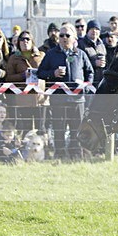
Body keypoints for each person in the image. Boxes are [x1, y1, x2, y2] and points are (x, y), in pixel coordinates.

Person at [37, 22, 93, 159]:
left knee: (76, 129)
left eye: (67, 35)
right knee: (59, 128)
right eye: (61, 35)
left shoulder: (81, 54)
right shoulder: (51, 54)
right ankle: (60, 154)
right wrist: (53, 73)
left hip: (77, 99)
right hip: (58, 99)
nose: (64, 38)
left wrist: (86, 85)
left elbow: (90, 72)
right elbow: (40, 73)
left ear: (74, 38)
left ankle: (75, 154)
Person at [4, 30, 47, 135]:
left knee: (41, 129)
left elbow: (48, 73)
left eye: (28, 39)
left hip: (40, 98)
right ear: (18, 42)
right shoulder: (14, 58)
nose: (25, 41)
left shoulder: (41, 55)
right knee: (26, 130)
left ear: (32, 41)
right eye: (22, 39)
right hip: (23, 99)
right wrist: (22, 75)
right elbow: (8, 78)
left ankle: (42, 150)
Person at [78, 20, 107, 84]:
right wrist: (94, 63)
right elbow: (78, 63)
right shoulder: (80, 44)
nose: (94, 31)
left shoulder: (102, 45)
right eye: (92, 29)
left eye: (97, 29)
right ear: (87, 30)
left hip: (101, 80)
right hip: (87, 80)